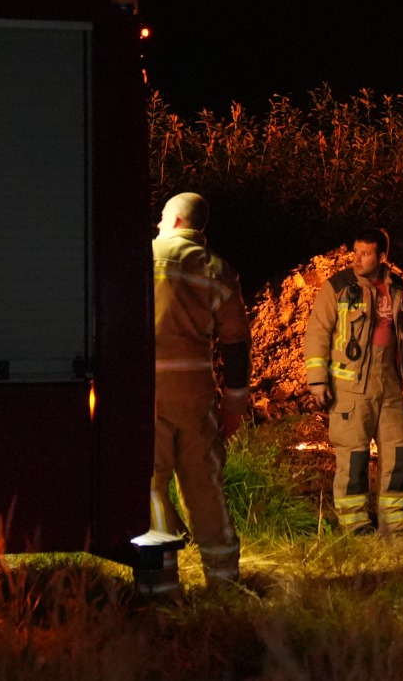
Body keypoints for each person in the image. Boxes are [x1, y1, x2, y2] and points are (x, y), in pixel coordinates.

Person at [147, 192, 250, 587]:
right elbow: (236, 342)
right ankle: (225, 579)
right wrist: (235, 404)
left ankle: (161, 583)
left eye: (161, 217)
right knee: (204, 486)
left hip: (147, 394)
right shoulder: (217, 269)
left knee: (151, 486)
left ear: (173, 220)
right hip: (197, 395)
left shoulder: (146, 256)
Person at [304, 227, 403, 534]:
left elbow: (400, 331)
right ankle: (354, 520)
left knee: (399, 447)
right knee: (354, 453)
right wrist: (318, 380)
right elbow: (317, 333)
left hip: (389, 381)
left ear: (382, 257)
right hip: (351, 386)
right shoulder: (338, 287)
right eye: (355, 252)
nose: (357, 259)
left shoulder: (396, 286)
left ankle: (396, 517)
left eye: (365, 253)